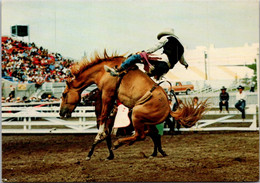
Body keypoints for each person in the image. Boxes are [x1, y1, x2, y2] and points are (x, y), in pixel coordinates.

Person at [105, 28, 188, 80]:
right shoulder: (181, 47)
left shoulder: (166, 38)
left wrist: (145, 51)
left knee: (135, 57)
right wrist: (186, 65)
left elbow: (156, 46)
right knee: (145, 77)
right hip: (166, 68)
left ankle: (119, 70)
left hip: (162, 62)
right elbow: (182, 60)